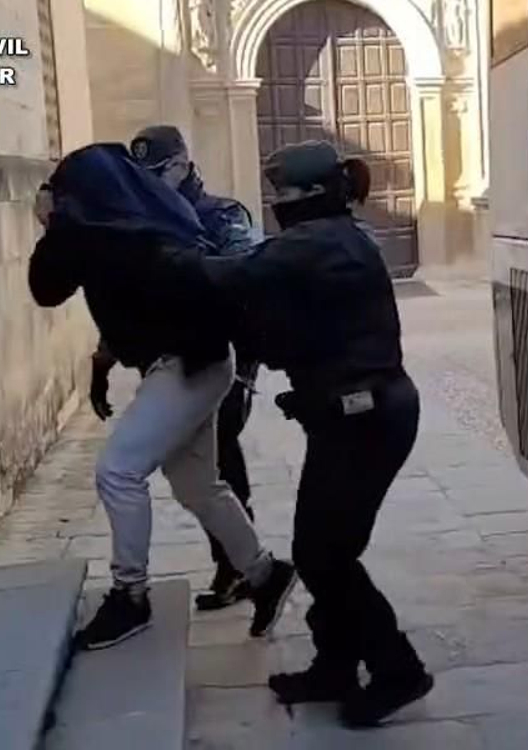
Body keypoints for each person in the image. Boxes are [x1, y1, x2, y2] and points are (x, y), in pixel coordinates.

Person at [160, 140, 431, 728]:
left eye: (284, 193)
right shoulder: (333, 236)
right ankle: (334, 665)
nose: (278, 204)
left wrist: (161, 254)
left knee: (325, 553)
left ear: (313, 196)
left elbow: (230, 274)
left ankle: (397, 669)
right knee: (320, 549)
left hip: (367, 418)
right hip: (350, 416)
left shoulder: (320, 241)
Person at [28, 142, 296, 650]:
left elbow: (46, 285)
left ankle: (131, 595)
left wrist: (53, 223)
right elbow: (53, 287)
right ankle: (265, 575)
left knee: (118, 471)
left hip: (190, 364)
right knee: (199, 486)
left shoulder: (126, 238)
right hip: (198, 364)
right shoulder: (117, 230)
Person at [87, 125, 265, 611]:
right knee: (199, 480)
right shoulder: (142, 222)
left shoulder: (219, 216)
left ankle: (234, 569)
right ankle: (253, 568)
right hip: (173, 362)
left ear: (183, 167)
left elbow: (248, 285)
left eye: (160, 174)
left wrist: (246, 374)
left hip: (219, 360)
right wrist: (102, 362)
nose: (151, 185)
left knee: (218, 465)